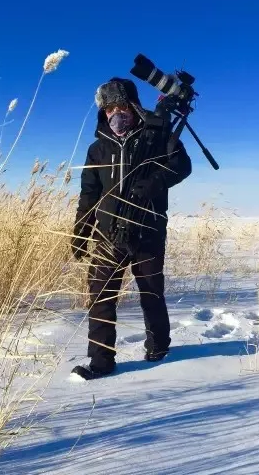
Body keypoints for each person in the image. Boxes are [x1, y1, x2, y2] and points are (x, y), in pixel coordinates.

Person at [70, 77, 192, 380]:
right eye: (109, 108)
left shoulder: (156, 135)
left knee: (151, 293)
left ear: (134, 106)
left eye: (122, 106)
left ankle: (158, 348)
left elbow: (182, 166)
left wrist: (153, 184)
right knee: (100, 298)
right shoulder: (97, 149)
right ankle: (100, 362)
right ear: (103, 112)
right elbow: (89, 194)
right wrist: (81, 231)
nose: (116, 114)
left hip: (147, 232)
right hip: (108, 236)